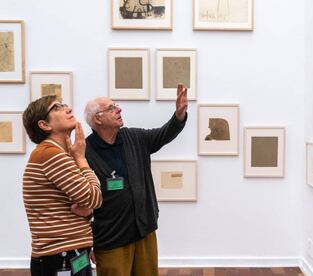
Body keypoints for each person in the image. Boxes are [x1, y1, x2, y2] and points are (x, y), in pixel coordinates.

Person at [83, 84, 188, 276]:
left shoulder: (134, 137)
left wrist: (179, 116)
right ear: (98, 119)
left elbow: (164, 134)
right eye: (111, 108)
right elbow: (81, 200)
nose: (119, 109)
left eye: (116, 105)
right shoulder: (85, 152)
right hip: (111, 238)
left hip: (144, 230)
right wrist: (87, 242)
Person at [22, 95, 103, 276]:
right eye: (57, 107)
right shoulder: (50, 154)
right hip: (59, 256)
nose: (68, 109)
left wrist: (88, 210)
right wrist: (81, 158)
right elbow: (94, 197)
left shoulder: (58, 154)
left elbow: (85, 204)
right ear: (44, 125)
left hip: (67, 253)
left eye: (65, 104)